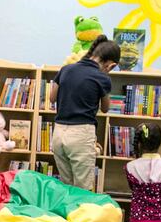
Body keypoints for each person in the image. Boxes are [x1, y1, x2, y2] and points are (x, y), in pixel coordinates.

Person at [49, 35, 119, 190]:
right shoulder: (102, 77)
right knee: (82, 190)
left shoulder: (66, 69)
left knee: (66, 186)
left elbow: (52, 98)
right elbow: (105, 108)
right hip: (81, 134)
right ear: (111, 65)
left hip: (59, 133)